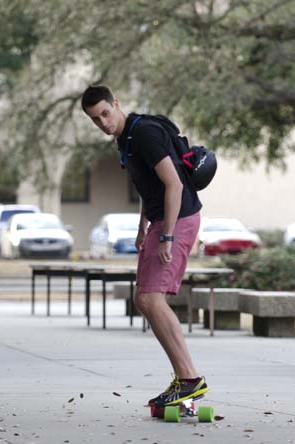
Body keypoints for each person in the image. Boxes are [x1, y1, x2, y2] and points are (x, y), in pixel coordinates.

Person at [81, 85, 208, 408]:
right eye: (96, 119)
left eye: (106, 114)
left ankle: (189, 379)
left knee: (151, 299)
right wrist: (143, 226)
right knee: (146, 299)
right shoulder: (125, 139)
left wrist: (166, 235)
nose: (103, 123)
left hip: (178, 219)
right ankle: (185, 379)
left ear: (116, 104)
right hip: (161, 221)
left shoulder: (146, 134)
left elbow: (174, 185)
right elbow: (147, 186)